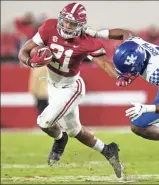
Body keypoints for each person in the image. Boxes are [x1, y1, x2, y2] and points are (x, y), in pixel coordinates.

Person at [18, 2, 132, 178]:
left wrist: (120, 77)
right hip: (52, 84)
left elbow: (103, 63)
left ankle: (59, 139)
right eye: (65, 21)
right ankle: (109, 150)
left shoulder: (88, 41)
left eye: (72, 24)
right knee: (76, 131)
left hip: (71, 87)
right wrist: (31, 62)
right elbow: (24, 51)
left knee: (44, 122)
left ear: (81, 26)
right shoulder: (49, 26)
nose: (67, 26)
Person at [91, 36, 159, 181]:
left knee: (138, 125)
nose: (127, 74)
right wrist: (97, 32)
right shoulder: (134, 43)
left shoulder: (157, 71)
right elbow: (123, 33)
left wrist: (145, 108)